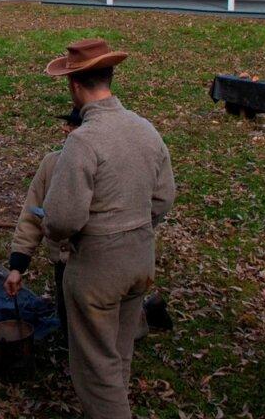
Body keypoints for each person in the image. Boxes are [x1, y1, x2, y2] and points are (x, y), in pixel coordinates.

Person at [42, 38, 175, 419]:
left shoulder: (84, 141)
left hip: (97, 267)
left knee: (96, 370)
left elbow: (62, 218)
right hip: (140, 259)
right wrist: (135, 225)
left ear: (74, 85)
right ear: (109, 77)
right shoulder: (145, 129)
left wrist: (57, 232)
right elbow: (164, 197)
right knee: (118, 352)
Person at [4, 109, 79, 330]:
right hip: (63, 267)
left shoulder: (106, 167)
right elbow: (31, 215)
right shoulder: (51, 164)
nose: (65, 129)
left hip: (96, 267)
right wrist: (17, 267)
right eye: (67, 124)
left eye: (73, 125)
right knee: (68, 327)